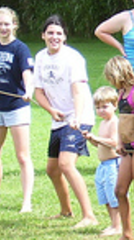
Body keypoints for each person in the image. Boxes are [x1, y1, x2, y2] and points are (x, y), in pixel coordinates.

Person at [33, 15, 98, 229]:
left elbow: (78, 91)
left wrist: (77, 118)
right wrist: (51, 110)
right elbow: (39, 91)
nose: (54, 37)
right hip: (59, 119)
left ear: (65, 37)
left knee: (66, 164)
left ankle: (89, 215)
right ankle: (65, 211)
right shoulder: (41, 58)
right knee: (52, 169)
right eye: (50, 33)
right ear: (43, 35)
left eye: (59, 33)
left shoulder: (73, 58)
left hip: (79, 117)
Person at [0, 7, 35, 213]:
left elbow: (27, 74)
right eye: (0, 24)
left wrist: (28, 90)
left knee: (22, 156)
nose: (4, 27)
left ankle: (26, 202)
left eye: (7, 24)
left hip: (17, 108)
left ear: (14, 25)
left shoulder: (20, 49)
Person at [103, 56, 134, 240]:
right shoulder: (120, 93)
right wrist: (119, 142)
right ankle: (126, 233)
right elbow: (121, 121)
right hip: (126, 148)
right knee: (120, 190)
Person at [83, 86, 122, 237]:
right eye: (98, 108)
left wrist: (97, 138)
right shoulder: (103, 123)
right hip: (103, 165)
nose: (101, 110)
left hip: (113, 163)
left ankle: (118, 225)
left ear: (115, 105)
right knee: (105, 195)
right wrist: (91, 139)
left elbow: (113, 142)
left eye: (105, 107)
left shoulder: (114, 122)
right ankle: (112, 223)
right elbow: (100, 144)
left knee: (114, 196)